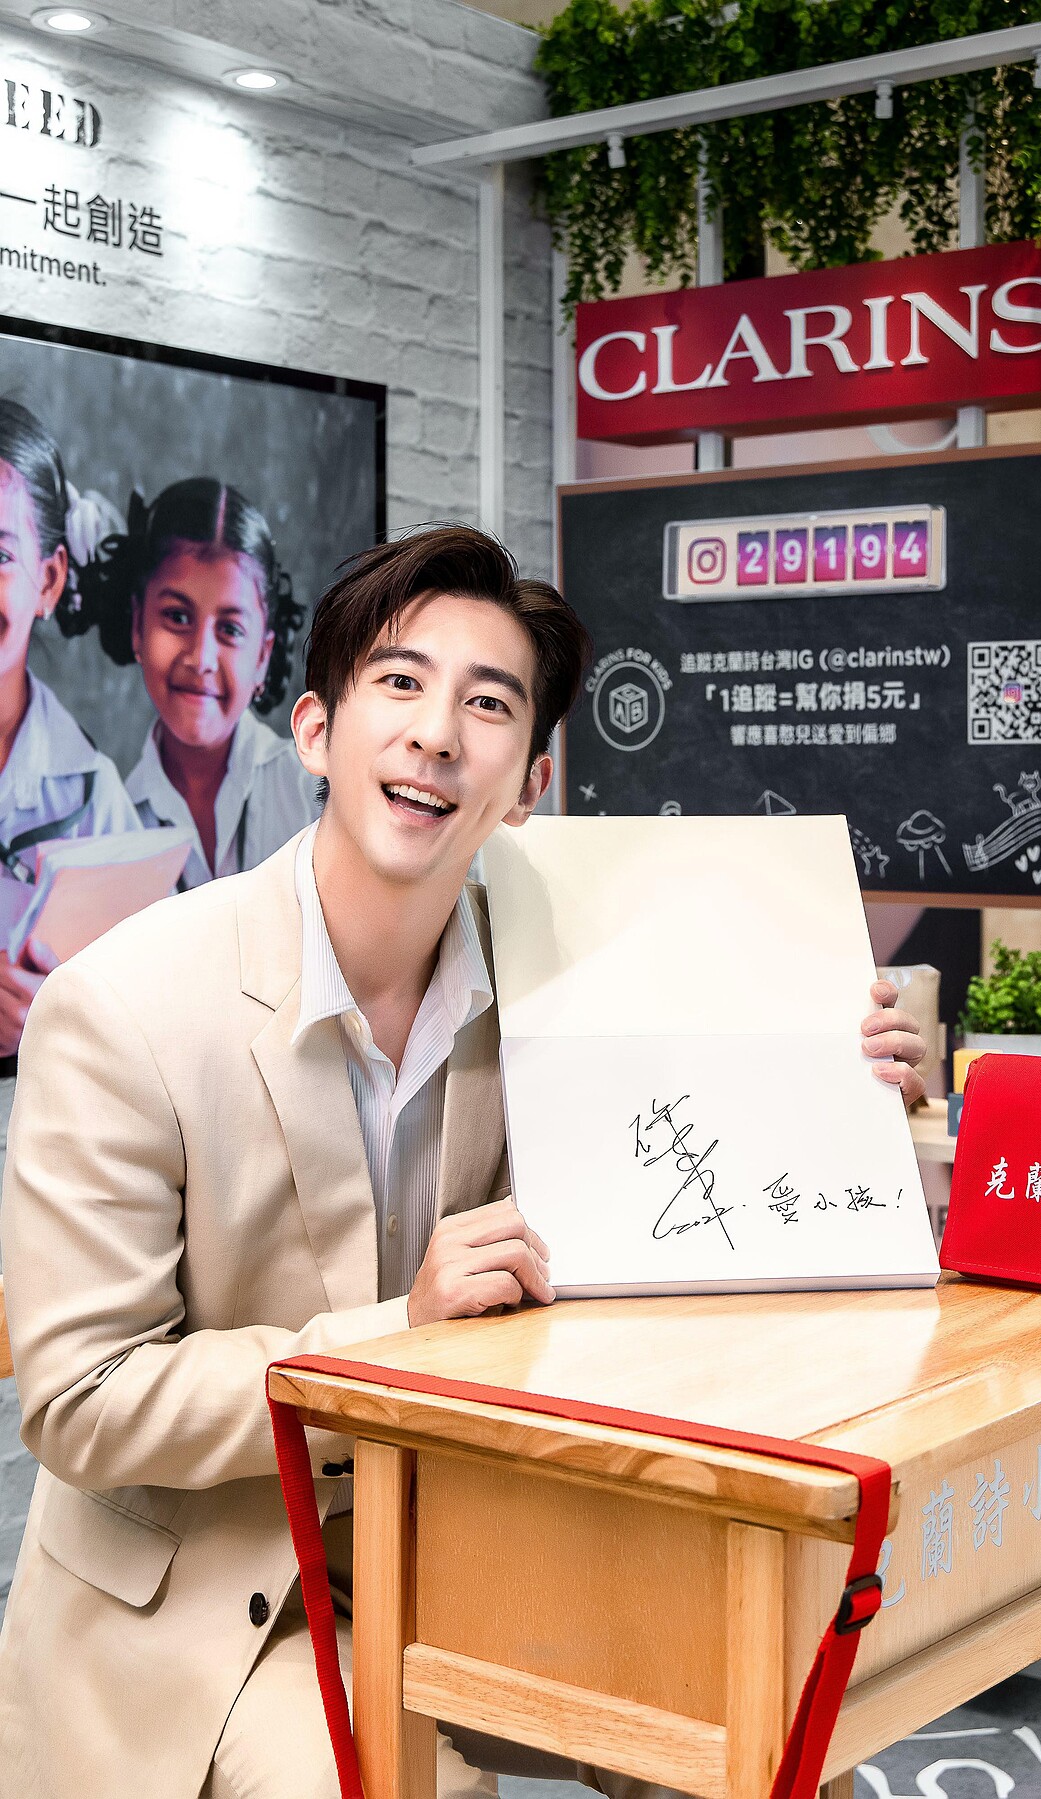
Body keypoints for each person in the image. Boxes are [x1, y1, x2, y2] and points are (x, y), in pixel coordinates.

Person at [0, 523, 927, 1799]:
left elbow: (691, 1188)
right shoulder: (123, 1007)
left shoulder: (557, 976)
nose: (438, 732)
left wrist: (839, 1081)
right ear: (315, 730)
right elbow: (80, 1397)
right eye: (400, 681)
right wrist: (398, 1333)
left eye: (487, 703)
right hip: (210, 1597)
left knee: (767, 1741)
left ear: (529, 782)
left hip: (469, 1544)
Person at [82, 476, 318, 889]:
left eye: (230, 629)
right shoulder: (112, 827)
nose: (200, 659)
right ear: (137, 625)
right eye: (177, 617)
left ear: (262, 656)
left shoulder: (316, 795)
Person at [0, 399, 141, 1061]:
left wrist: (59, 1015)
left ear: (49, 580)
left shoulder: (94, 800)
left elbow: (149, 1012)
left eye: (0, 553)